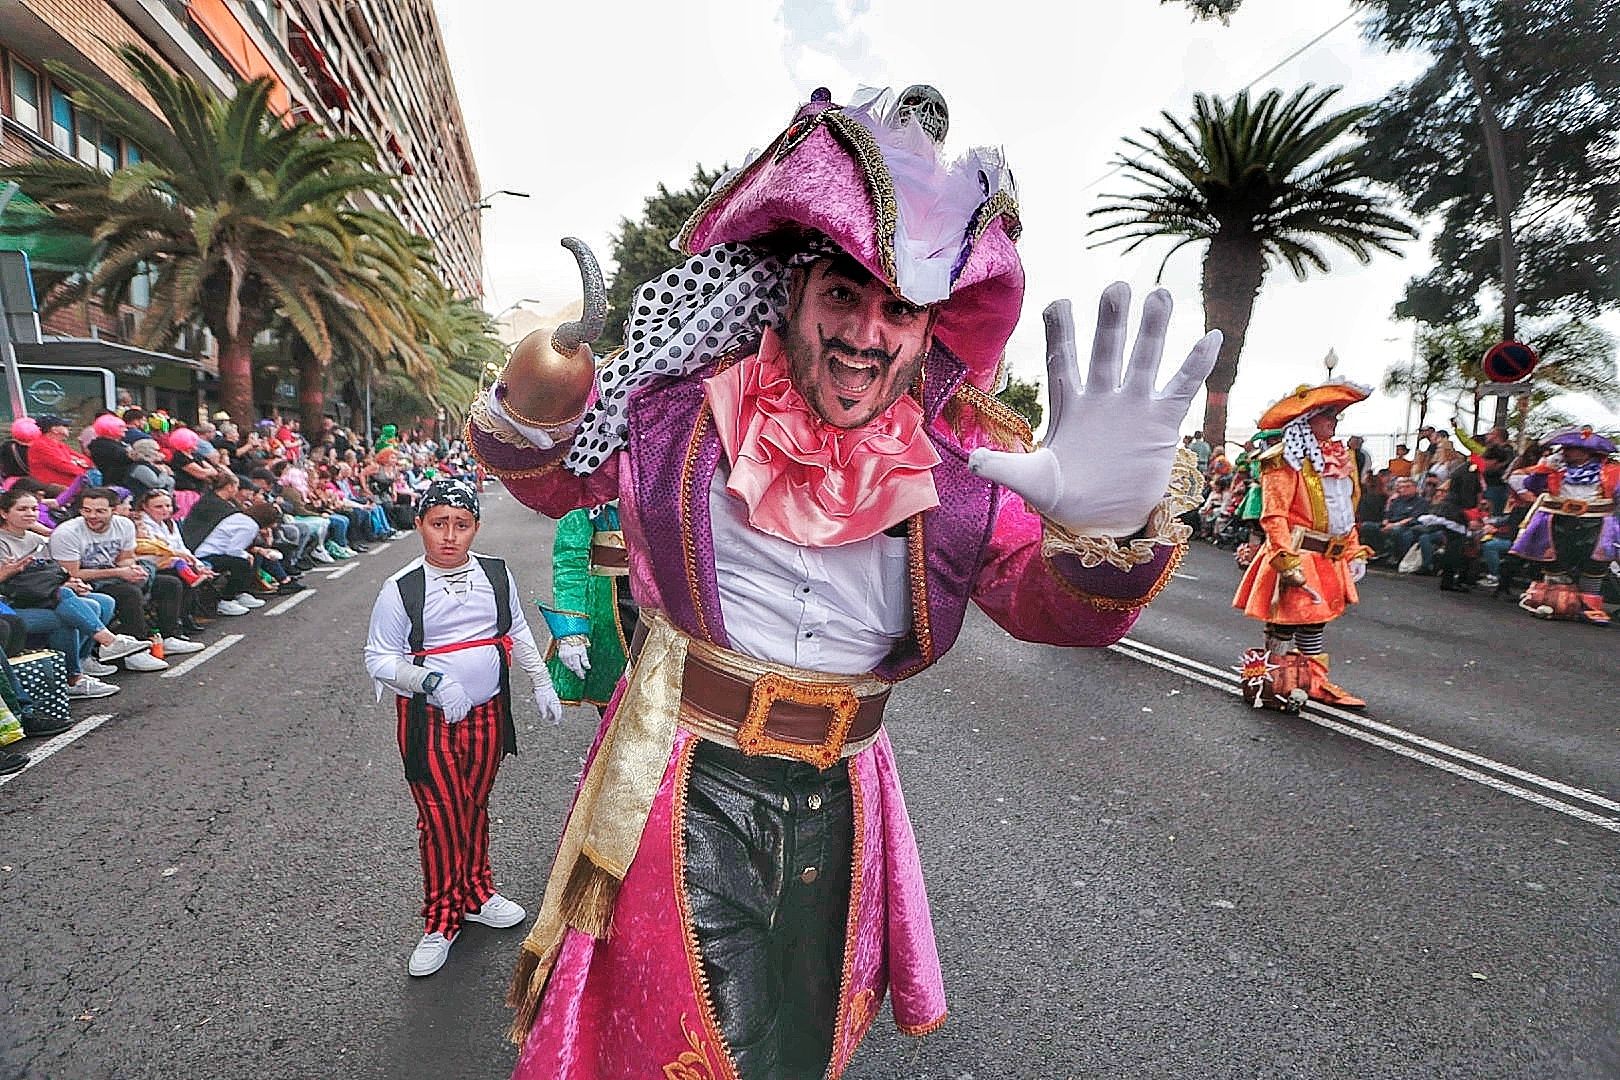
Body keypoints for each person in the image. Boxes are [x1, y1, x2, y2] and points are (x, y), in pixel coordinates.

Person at [467, 86, 1214, 1079]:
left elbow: (1053, 609)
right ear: (792, 297)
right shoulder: (683, 415)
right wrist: (540, 386)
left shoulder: (957, 470)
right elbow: (555, 476)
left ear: (927, 329)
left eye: (898, 308)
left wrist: (1109, 524)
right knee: (682, 1047)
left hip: (843, 795)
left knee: (800, 1045)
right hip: (687, 783)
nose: (867, 332)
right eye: (842, 296)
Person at [363, 479, 562, 977]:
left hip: (489, 710)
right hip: (427, 719)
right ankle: (440, 918)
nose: (449, 536)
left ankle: (477, 891)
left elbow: (514, 629)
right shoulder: (401, 588)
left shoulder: (496, 573)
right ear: (420, 526)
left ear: (475, 527)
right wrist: (431, 681)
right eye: (438, 524)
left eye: (461, 525)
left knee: (473, 804)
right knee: (440, 816)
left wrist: (541, 680)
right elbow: (378, 658)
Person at [1232, 382, 1374, 707]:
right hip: (1298, 553)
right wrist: (1286, 559)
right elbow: (1274, 515)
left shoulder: (1338, 457)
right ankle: (1272, 683)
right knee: (1288, 621)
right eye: (1328, 416)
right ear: (1307, 420)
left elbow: (1343, 512)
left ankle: (1310, 683)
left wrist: (1352, 549)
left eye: (1335, 416)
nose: (1334, 423)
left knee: (1314, 620)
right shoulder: (1283, 461)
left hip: (1328, 556)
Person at [0, 487, 149, 696]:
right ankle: (76, 675)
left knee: (102, 602)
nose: (30, 513)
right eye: (22, 509)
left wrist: (71, 583)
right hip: (12, 605)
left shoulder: (35, 540)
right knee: (66, 616)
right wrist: (7, 572)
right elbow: (16, 583)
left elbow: (48, 577)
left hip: (40, 597)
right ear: (4, 513)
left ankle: (83, 660)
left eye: (34, 509)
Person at [48, 488, 182, 667]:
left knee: (169, 584)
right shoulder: (67, 533)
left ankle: (167, 637)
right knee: (129, 593)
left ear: (114, 509)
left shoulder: (124, 525)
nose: (93, 516)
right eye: (87, 510)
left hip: (113, 575)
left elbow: (126, 557)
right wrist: (119, 572)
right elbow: (71, 574)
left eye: (100, 511)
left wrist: (131, 569)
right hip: (84, 582)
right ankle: (134, 653)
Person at [1507, 426, 1619, 624]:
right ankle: (1555, 601)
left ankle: (1590, 607)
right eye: (1564, 448)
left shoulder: (1611, 470)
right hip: (1557, 520)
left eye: (1571, 448)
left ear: (1587, 452)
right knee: (1554, 561)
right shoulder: (1554, 468)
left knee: (1595, 563)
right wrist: (1544, 469)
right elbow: (1531, 486)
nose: (1565, 451)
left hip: (1596, 522)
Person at [539, 503, 636, 712]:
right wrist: (571, 631)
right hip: (614, 609)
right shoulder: (588, 484)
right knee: (618, 709)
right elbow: (570, 558)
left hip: (668, 607)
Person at [26, 415, 92, 488]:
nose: (68, 428)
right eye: (64, 425)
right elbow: (63, 465)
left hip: (71, 487)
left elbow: (87, 461)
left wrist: (75, 463)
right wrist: (78, 465)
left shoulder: (60, 444)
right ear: (54, 429)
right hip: (54, 490)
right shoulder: (40, 445)